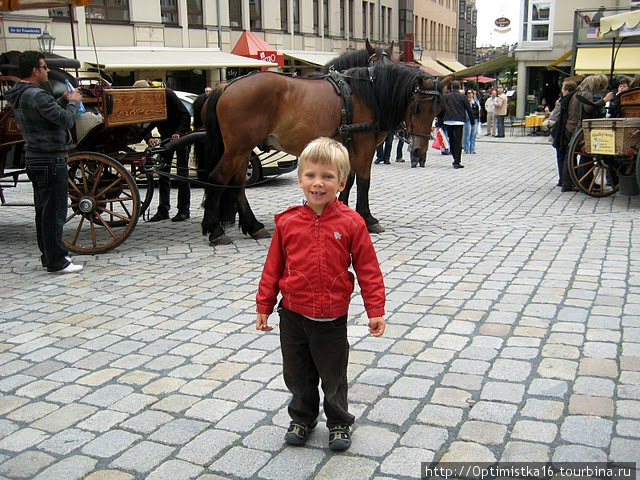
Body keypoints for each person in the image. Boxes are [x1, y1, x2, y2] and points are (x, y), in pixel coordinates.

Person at [255, 137, 386, 452]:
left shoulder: (352, 223)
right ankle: (302, 417)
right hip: (293, 316)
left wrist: (375, 309)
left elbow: (368, 269)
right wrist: (264, 305)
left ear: (341, 182)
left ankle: (339, 422)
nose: (318, 183)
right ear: (300, 179)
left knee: (333, 376)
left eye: (327, 176)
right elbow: (272, 268)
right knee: (297, 374)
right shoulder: (287, 222)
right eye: (311, 175)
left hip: (331, 318)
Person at [5, 51, 84, 274]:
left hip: (36, 157)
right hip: (50, 157)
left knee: (44, 210)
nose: (48, 70)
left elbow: (47, 114)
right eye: (44, 67)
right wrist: (73, 103)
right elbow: (66, 120)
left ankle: (49, 256)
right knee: (54, 212)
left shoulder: (23, 93)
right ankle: (57, 261)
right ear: (35, 71)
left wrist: (62, 100)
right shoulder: (36, 95)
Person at [134, 80, 192, 222]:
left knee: (182, 173)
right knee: (163, 173)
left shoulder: (167, 94)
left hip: (182, 136)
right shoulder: (147, 102)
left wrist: (178, 132)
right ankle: (163, 210)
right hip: (166, 137)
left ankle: (184, 210)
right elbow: (144, 122)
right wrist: (148, 138)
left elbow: (185, 115)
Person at [561, 74, 614, 192]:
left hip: (571, 127)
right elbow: (589, 108)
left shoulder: (577, 93)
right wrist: (604, 100)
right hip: (580, 129)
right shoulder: (587, 94)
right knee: (586, 155)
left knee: (571, 156)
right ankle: (583, 182)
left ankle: (569, 182)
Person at [551, 81, 578, 188]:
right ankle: (566, 179)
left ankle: (563, 179)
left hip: (563, 131)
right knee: (567, 156)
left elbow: (553, 116)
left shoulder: (564, 100)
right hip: (567, 130)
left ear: (566, 90)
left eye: (563, 89)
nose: (562, 91)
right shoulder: (574, 98)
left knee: (562, 155)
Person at [443, 81, 474, 169]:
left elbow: (442, 108)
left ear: (452, 87)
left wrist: (441, 120)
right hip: (459, 120)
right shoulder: (462, 97)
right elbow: (469, 109)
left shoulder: (446, 96)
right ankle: (457, 161)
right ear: (459, 87)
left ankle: (454, 156)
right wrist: (472, 122)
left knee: (451, 139)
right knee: (458, 140)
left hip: (448, 120)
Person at [463, 89, 480, 154]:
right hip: (468, 119)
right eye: (468, 93)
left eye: (471, 93)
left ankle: (472, 149)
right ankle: (466, 149)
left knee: (473, 134)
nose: (470, 94)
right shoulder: (466, 101)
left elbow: (478, 109)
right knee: (467, 134)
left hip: (475, 118)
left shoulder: (476, 101)